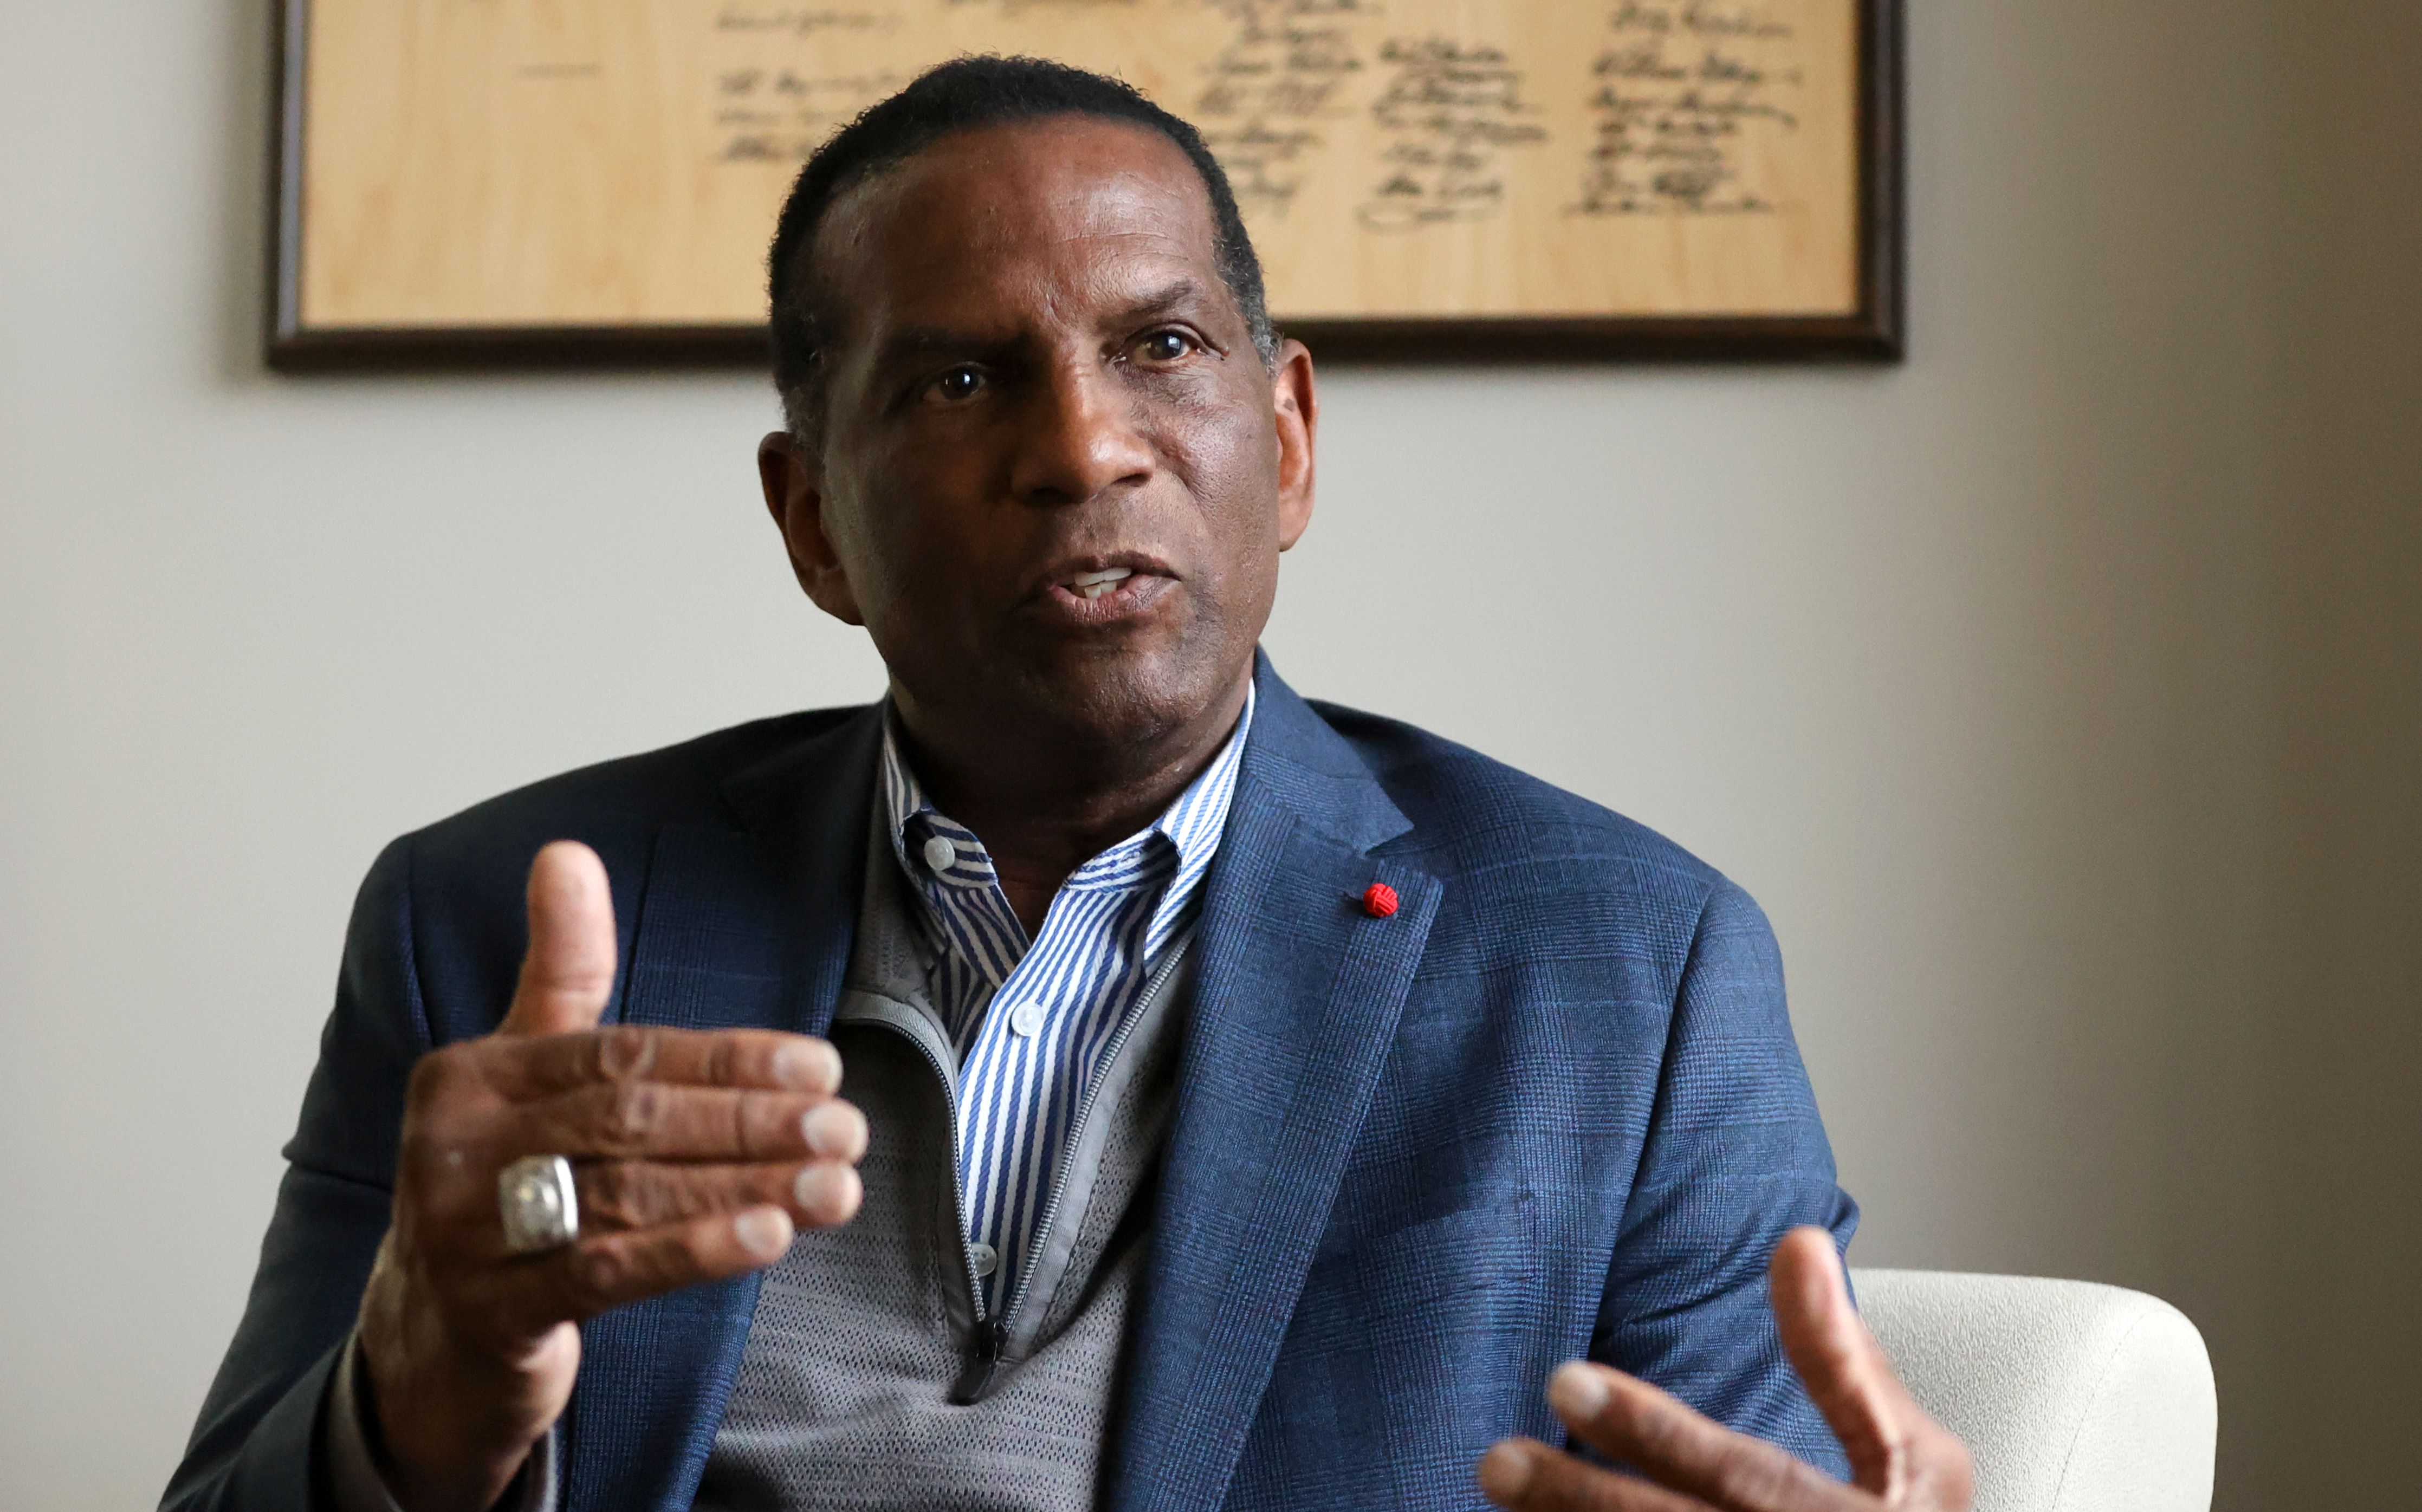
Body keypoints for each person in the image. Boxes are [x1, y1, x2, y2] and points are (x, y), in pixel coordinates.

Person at [165, 55, 1972, 1512]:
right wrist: (409, 1418)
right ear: (814, 525)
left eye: (1162, 348)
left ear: (1288, 437)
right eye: (961, 379)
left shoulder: (1627, 970)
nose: (1086, 445)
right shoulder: (496, 928)